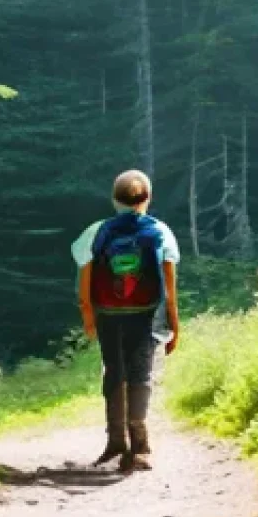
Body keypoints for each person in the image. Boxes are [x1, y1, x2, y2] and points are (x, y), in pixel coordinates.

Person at [71, 170, 180, 473]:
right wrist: (174, 325)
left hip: (109, 314)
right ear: (148, 198)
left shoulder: (96, 231)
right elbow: (169, 285)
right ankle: (140, 445)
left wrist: (88, 315)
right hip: (147, 314)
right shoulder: (160, 231)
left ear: (113, 199)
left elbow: (85, 280)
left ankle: (116, 441)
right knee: (141, 373)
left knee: (114, 371)